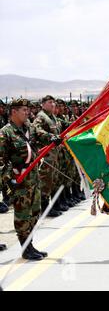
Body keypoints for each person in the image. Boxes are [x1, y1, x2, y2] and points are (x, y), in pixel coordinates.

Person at [0, 98, 47, 260]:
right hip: (19, 181)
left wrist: (54, 138)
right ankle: (26, 248)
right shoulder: (5, 133)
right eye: (24, 110)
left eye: (28, 110)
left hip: (33, 178)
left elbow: (42, 136)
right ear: (14, 112)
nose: (28, 112)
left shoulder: (29, 128)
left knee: (35, 212)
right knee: (22, 215)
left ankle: (30, 245)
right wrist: (8, 180)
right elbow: (1, 162)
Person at [33, 95, 66, 217]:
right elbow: (37, 130)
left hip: (55, 154)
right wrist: (50, 136)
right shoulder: (41, 117)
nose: (53, 104)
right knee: (45, 182)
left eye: (53, 102)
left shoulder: (53, 117)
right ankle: (45, 209)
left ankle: (54, 205)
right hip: (46, 155)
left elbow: (65, 125)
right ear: (43, 104)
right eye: (50, 102)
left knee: (53, 180)